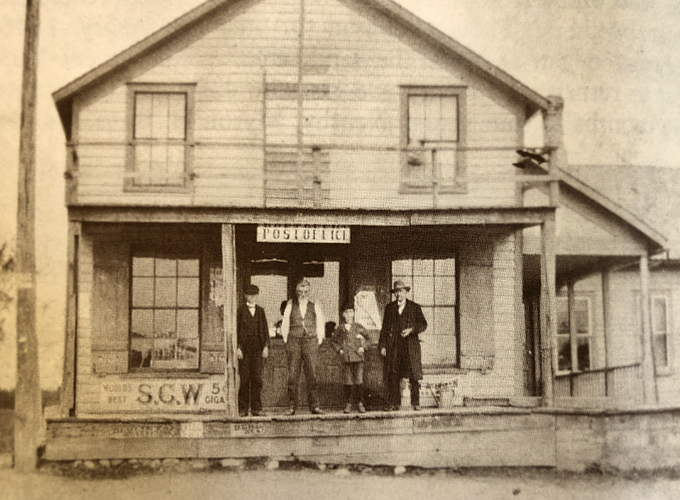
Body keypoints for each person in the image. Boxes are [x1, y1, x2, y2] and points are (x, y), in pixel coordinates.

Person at [379, 280, 428, 411]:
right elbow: (384, 328)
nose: (398, 294)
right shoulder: (390, 308)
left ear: (406, 292)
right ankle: (394, 403)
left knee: (413, 375)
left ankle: (415, 403)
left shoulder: (414, 307)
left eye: (401, 291)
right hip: (394, 347)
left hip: (410, 347)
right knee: (393, 375)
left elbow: (423, 324)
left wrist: (412, 330)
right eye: (396, 291)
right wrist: (383, 346)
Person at [281, 278, 325, 415]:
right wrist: (288, 340)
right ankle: (292, 407)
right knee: (293, 375)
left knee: (312, 374)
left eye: (306, 291)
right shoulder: (290, 305)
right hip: (294, 341)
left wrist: (317, 340)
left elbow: (320, 324)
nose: (303, 294)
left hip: (310, 342)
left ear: (309, 291)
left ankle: (315, 406)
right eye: (300, 291)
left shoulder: (314, 305)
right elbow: (284, 325)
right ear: (296, 291)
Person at [236, 284, 270, 417]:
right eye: (250, 295)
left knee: (257, 378)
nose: (252, 297)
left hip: (257, 348)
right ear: (245, 296)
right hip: (244, 350)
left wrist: (266, 346)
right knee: (244, 379)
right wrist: (238, 347)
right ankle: (243, 408)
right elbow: (237, 331)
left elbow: (265, 330)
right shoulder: (240, 311)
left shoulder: (261, 311)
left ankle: (256, 409)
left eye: (255, 295)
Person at [331, 303, 367, 414]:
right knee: (348, 382)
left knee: (359, 380)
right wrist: (339, 350)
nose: (349, 314)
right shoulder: (340, 328)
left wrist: (363, 347)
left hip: (358, 357)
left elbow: (369, 338)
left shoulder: (359, 327)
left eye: (351, 312)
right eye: (346, 312)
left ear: (354, 313)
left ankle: (360, 403)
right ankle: (348, 404)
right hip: (346, 358)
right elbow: (333, 341)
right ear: (343, 314)